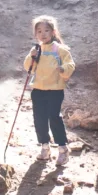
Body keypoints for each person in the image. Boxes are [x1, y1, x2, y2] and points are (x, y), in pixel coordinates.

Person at [24, 14, 75, 169]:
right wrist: (31, 57)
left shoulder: (60, 50)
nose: (43, 34)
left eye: (46, 30)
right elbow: (29, 67)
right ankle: (45, 147)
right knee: (39, 118)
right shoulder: (36, 50)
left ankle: (62, 149)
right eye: (39, 31)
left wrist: (63, 69)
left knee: (54, 117)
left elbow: (70, 64)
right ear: (35, 34)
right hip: (38, 89)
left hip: (54, 90)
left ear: (53, 32)